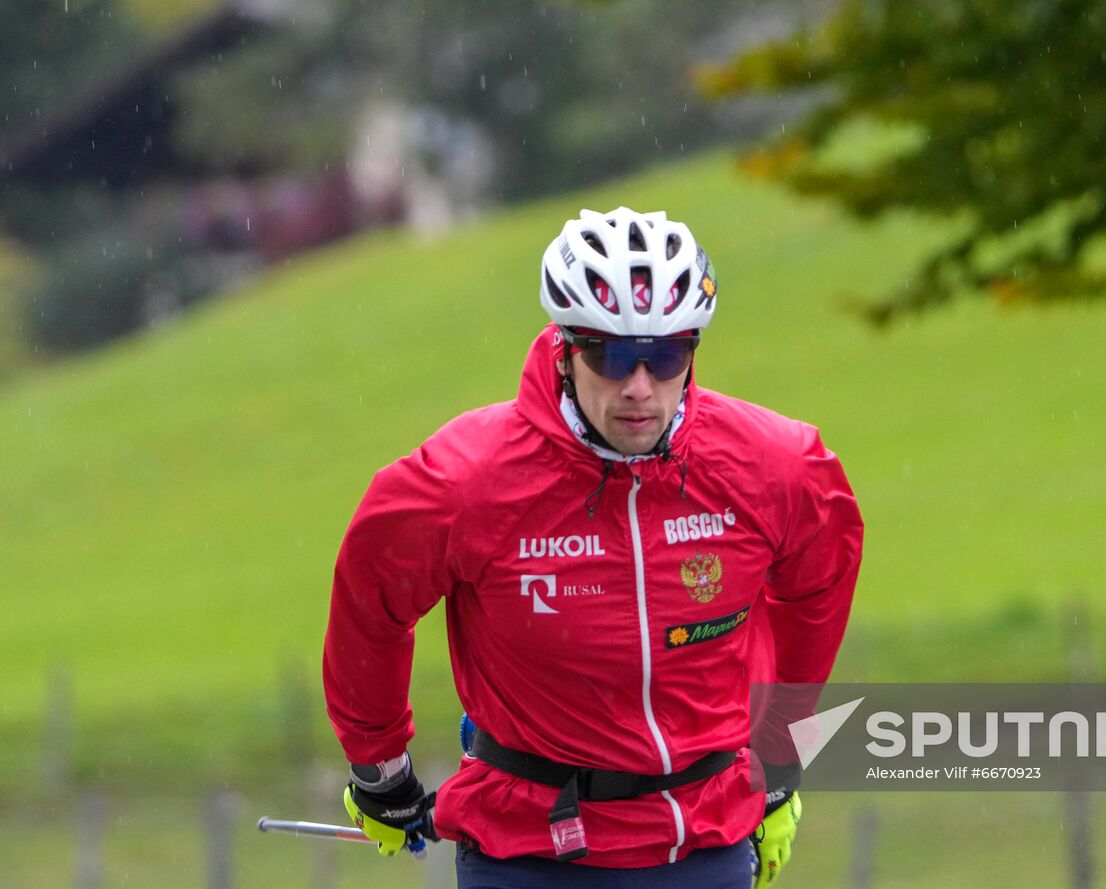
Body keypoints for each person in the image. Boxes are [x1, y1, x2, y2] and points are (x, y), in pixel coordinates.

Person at [323, 206, 863, 888]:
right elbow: (369, 611)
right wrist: (381, 772)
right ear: (568, 344)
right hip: (527, 850)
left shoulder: (775, 464)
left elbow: (818, 590)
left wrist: (779, 759)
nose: (640, 386)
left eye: (667, 354)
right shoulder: (463, 480)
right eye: (611, 355)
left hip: (704, 841)